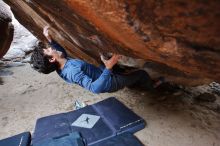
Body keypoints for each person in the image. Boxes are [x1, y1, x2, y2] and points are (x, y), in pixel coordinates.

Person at [30, 26, 163, 94]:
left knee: (121, 71)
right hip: (109, 83)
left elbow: (61, 53)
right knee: (141, 74)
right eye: (48, 50)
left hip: (101, 72)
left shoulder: (61, 65)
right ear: (52, 58)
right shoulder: (72, 71)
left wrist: (50, 39)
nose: (50, 47)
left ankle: (129, 81)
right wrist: (109, 67)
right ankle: (151, 88)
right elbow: (94, 89)